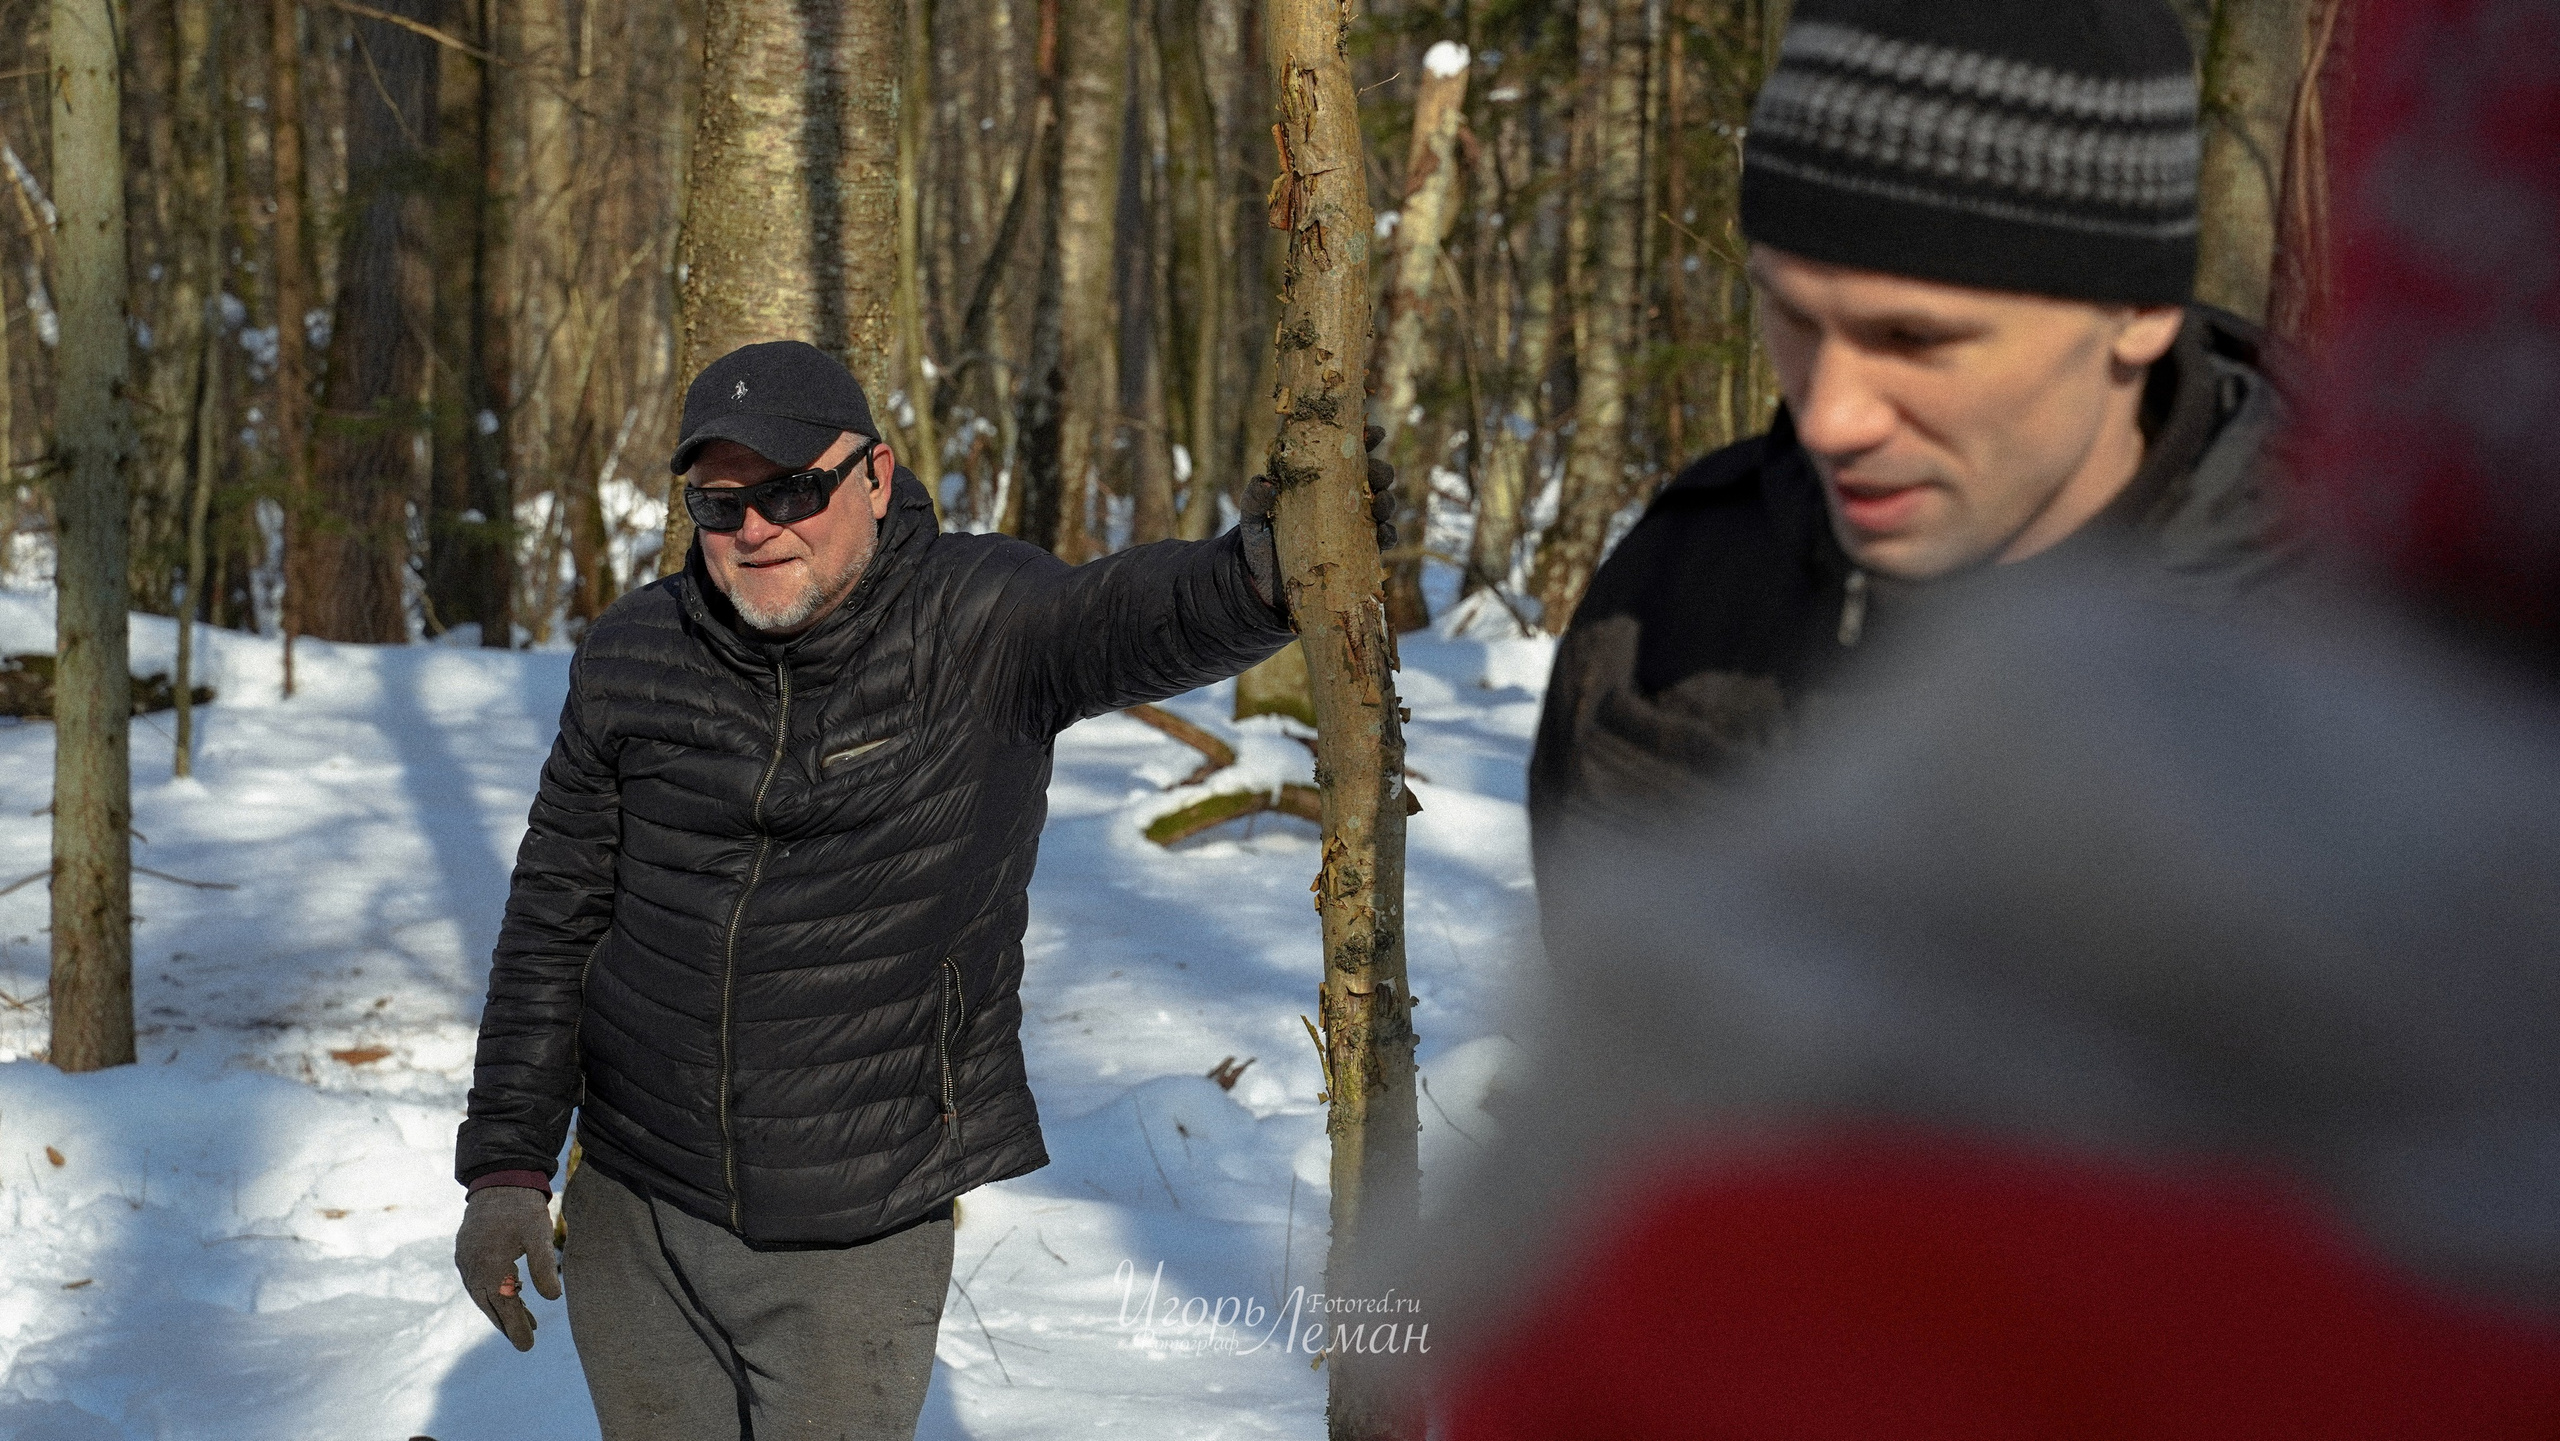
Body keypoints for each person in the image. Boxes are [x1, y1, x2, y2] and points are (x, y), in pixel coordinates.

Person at [447, 340, 1388, 1438]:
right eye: (720, 502)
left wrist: (1269, 568)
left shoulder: (984, 622)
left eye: (793, 489)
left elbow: (1140, 614)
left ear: (876, 477)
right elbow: (552, 920)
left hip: (856, 1222)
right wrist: (507, 1164)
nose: (756, 528)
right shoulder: (635, 651)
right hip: (632, 1213)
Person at [1527, 0, 2297, 897]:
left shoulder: (2385, 687)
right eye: (1794, 315)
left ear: (2139, 312)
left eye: (1916, 338)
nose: (1829, 420)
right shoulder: (1675, 592)